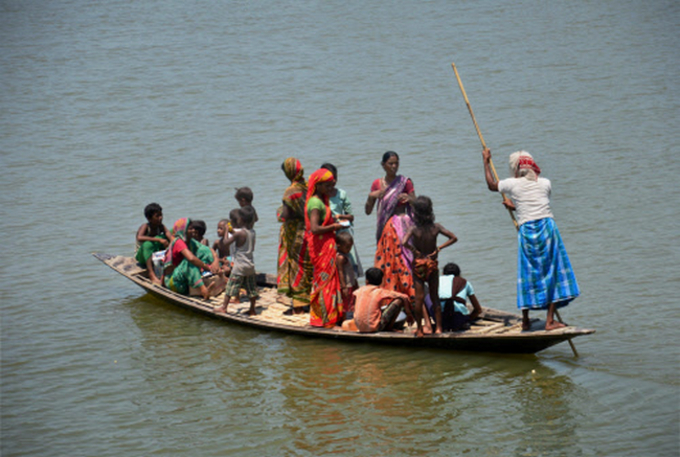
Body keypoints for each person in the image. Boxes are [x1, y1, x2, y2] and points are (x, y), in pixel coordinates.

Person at [482, 148, 580, 331]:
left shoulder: (512, 184)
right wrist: (516, 205)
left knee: (528, 272)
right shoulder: (545, 183)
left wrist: (486, 161)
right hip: (547, 228)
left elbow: (491, 185)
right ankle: (550, 320)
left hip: (527, 230)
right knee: (553, 271)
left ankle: (526, 320)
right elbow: (536, 202)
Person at [402, 196, 458, 336]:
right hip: (432, 264)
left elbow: (403, 242)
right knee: (435, 297)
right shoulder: (436, 227)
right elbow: (453, 238)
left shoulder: (413, 229)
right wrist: (439, 249)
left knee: (419, 298)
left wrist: (414, 250)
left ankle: (420, 330)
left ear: (416, 213)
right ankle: (439, 328)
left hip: (419, 264)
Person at [365, 151, 416, 302]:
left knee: (404, 260)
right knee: (388, 262)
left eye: (396, 163)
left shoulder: (405, 182)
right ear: (383, 165)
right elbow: (367, 211)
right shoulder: (377, 184)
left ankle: (408, 294)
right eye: (390, 163)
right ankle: (389, 295)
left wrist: (409, 198)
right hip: (386, 229)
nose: (394, 167)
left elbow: (417, 203)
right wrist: (371, 196)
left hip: (403, 226)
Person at [305, 168, 345, 327]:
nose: (330, 189)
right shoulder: (315, 203)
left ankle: (332, 315)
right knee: (324, 282)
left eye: (331, 186)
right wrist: (334, 227)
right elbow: (314, 228)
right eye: (327, 186)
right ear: (318, 185)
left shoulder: (322, 200)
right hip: (320, 247)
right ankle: (323, 317)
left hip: (327, 246)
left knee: (330, 281)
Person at [276, 158, 312, 313]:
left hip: (294, 233)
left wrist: (279, 213)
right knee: (308, 265)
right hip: (308, 229)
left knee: (297, 267)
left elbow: (287, 213)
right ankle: (311, 301)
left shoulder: (291, 191)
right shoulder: (309, 185)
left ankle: (298, 306)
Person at [321, 162, 363, 277]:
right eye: (330, 178)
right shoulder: (318, 196)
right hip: (326, 233)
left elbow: (351, 217)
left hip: (342, 234)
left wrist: (341, 218)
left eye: (335, 177)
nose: (333, 181)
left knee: (348, 265)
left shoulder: (341, 194)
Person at [214, 208, 258, 316]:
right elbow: (240, 237)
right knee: (251, 289)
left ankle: (224, 307)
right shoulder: (251, 232)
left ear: (241, 220)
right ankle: (252, 309)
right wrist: (231, 231)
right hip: (250, 265)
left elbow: (225, 243)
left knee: (230, 287)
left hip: (239, 266)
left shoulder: (239, 234)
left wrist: (226, 232)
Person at [162, 218, 220, 300]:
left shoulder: (191, 241)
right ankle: (203, 289)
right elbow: (191, 258)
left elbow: (208, 250)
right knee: (189, 262)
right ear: (183, 230)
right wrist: (206, 267)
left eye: (193, 228)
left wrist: (215, 261)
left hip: (186, 280)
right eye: (190, 229)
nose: (193, 231)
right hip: (175, 283)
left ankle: (218, 273)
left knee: (203, 251)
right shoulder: (178, 242)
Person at [347, 267, 414, 333]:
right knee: (399, 300)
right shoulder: (380, 292)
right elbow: (404, 297)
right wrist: (409, 314)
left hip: (359, 327)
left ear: (366, 281)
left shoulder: (358, 291)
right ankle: (389, 328)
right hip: (374, 327)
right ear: (381, 281)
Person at [135, 202, 173, 285]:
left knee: (174, 231)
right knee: (147, 244)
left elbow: (169, 235)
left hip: (156, 254)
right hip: (143, 256)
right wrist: (158, 240)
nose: (160, 218)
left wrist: (172, 243)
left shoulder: (161, 226)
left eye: (161, 215)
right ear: (149, 218)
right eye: (157, 216)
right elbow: (140, 237)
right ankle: (151, 273)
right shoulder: (145, 226)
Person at [439, 263, 482, 331]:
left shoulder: (437, 280)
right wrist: (468, 319)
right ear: (459, 274)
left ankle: (428, 324)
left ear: (442, 273)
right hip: (459, 319)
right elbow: (478, 310)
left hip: (440, 319)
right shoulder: (465, 282)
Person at [336, 231, 359, 316]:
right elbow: (340, 272)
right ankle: (347, 319)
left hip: (351, 283)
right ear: (339, 245)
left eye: (350, 247)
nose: (349, 249)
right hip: (347, 285)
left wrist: (355, 282)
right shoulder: (340, 257)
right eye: (347, 247)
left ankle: (352, 317)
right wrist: (344, 286)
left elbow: (351, 271)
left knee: (353, 301)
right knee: (347, 303)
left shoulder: (347, 255)